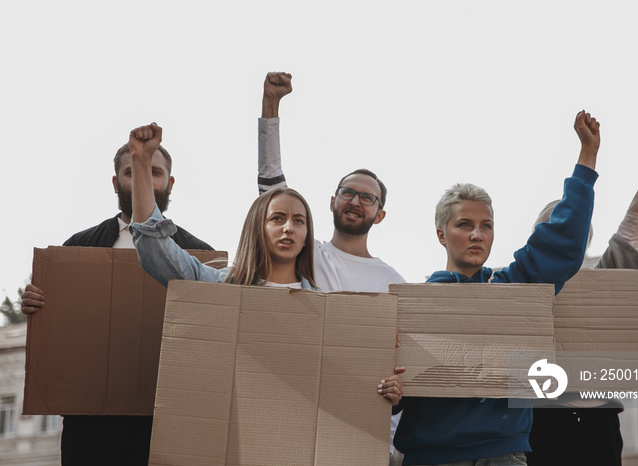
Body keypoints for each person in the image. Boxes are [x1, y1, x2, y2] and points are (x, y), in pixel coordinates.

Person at [126, 122, 404, 404]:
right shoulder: (220, 287)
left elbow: (352, 384)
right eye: (277, 218)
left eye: (299, 221)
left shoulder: (326, 311)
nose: (288, 228)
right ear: (259, 227)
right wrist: (140, 161)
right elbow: (154, 247)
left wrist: (387, 391)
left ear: (307, 237)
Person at [392, 110, 601, 465]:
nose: (476, 234)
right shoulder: (414, 306)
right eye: (464, 224)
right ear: (441, 233)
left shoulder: (512, 289)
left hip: (504, 453)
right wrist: (394, 394)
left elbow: (560, 243)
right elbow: (399, 385)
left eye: (486, 225)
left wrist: (587, 159)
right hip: (433, 456)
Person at [20, 140, 213, 465]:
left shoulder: (198, 254)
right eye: (132, 172)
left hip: (163, 422)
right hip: (91, 426)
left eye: (155, 172)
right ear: (115, 182)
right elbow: (59, 330)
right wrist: (37, 305)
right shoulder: (79, 248)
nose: (145, 180)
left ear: (170, 182)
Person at [258, 72, 407, 461]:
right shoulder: (309, 254)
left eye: (368, 198)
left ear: (381, 214)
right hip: (297, 416)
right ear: (331, 202)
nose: (356, 201)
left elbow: (399, 365)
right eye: (348, 192)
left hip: (362, 434)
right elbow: (272, 190)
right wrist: (270, 105)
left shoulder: (394, 283)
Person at [526, 111, 638, 466]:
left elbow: (636, 215)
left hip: (597, 426)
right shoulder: (517, 286)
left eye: (575, 232)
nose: (566, 238)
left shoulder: (605, 280)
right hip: (539, 424)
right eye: (555, 231)